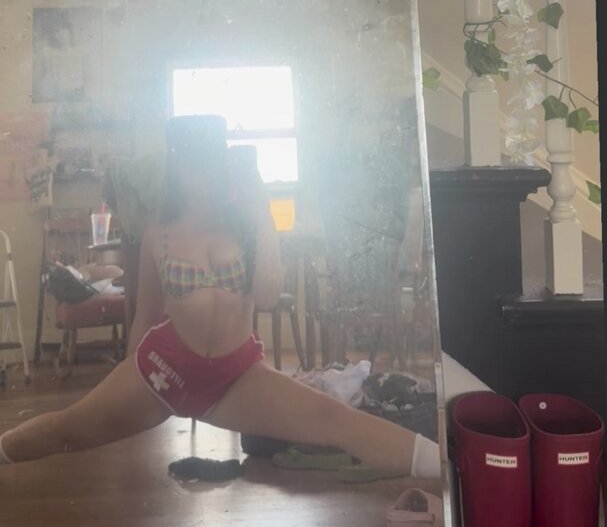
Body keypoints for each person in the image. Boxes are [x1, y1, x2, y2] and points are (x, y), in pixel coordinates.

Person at [0, 116, 439, 480]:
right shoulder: (157, 232)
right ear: (176, 169)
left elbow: (267, 295)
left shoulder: (248, 224)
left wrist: (262, 212)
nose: (202, 177)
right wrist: (125, 384)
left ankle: (453, 469)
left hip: (236, 377)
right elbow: (146, 317)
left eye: (210, 164)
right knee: (66, 429)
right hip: (161, 370)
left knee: (338, 422)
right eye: (191, 166)